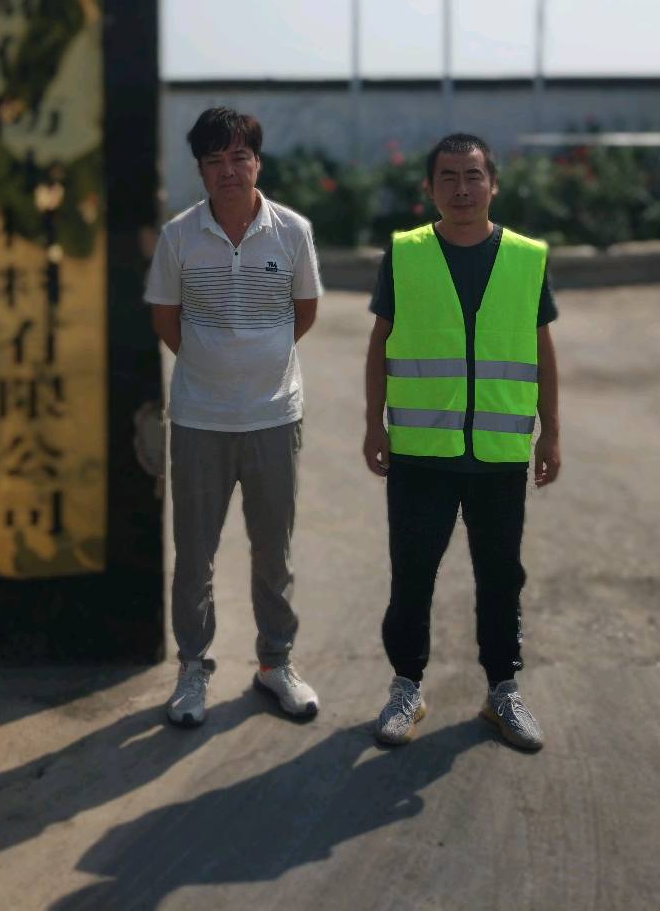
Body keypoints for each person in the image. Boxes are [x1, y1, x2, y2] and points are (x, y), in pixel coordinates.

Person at [363, 132, 561, 752]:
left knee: (501, 577)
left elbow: (542, 350)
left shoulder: (526, 258)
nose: (462, 188)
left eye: (473, 175)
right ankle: (406, 687)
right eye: (447, 176)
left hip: (499, 454)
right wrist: (373, 423)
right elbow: (380, 343)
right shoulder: (405, 254)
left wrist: (551, 433)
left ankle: (502, 691)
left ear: (492, 184)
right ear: (429, 188)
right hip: (421, 452)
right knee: (412, 574)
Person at [145, 107, 323, 727]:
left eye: (238, 157)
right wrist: (214, 366)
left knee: (274, 552)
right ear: (200, 169)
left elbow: (304, 309)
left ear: (257, 163)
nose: (228, 170)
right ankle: (193, 669)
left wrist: (259, 361)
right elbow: (165, 317)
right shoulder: (179, 236)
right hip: (200, 418)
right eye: (214, 160)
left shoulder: (292, 232)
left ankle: (276, 663)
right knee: (194, 556)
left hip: (275, 416)